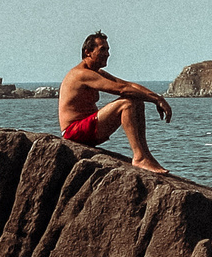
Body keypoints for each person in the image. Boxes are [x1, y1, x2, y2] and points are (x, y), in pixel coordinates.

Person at [57, 30, 173, 173]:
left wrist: (158, 98)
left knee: (137, 101)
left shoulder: (96, 72)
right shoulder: (81, 74)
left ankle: (146, 156)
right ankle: (139, 157)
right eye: (102, 49)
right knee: (126, 104)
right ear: (88, 52)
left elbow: (129, 85)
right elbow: (122, 90)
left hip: (88, 129)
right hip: (74, 132)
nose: (107, 54)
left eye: (108, 49)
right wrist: (156, 100)